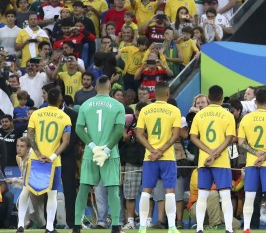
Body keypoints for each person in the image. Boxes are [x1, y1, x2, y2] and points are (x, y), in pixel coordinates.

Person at [71, 75, 125, 233]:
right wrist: (106, 149)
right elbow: (119, 130)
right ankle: (116, 226)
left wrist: (94, 147)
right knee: (113, 189)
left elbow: (79, 129)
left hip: (90, 153)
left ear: (95, 87)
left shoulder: (86, 105)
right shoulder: (117, 105)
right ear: (110, 87)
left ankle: (75, 226)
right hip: (110, 153)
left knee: (83, 188)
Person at [18, 87, 71, 233]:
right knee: (52, 194)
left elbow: (29, 136)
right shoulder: (65, 117)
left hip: (35, 159)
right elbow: (65, 142)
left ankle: (20, 225)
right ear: (60, 99)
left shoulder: (36, 114)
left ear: (47, 98)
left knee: (26, 191)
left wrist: (37, 153)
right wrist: (52, 157)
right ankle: (49, 227)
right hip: (53, 162)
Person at [135, 82, 182, 233]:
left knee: (146, 190)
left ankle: (142, 226)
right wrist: (161, 150)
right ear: (168, 93)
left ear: (154, 94)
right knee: (170, 191)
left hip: (150, 157)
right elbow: (175, 135)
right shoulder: (174, 110)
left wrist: (152, 150)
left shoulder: (145, 109)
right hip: (167, 156)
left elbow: (139, 133)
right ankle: (172, 227)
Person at [189, 85, 236, 233]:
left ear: (208, 99)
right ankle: (228, 229)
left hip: (204, 160)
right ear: (221, 98)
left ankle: (200, 229)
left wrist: (209, 153)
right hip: (221, 161)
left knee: (202, 194)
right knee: (225, 194)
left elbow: (193, 137)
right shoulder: (228, 115)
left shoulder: (199, 115)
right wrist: (215, 153)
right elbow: (230, 138)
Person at [238, 88, 266, 231]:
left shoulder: (246, 118)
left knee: (250, 195)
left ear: (255, 102)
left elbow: (241, 142)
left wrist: (256, 153)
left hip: (252, 162)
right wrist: (265, 155)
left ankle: (246, 227)